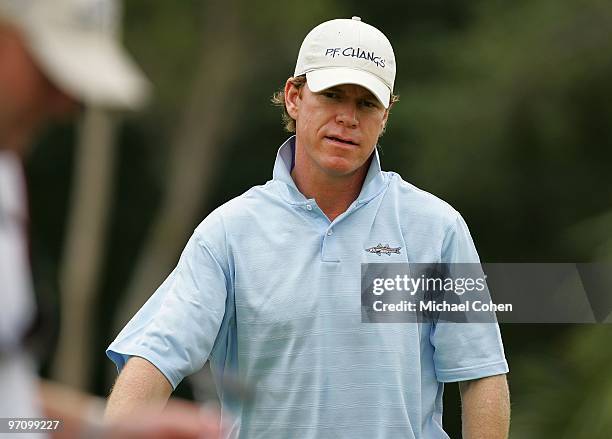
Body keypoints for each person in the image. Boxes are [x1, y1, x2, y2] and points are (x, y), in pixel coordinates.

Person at [106, 16, 510, 438]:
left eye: (366, 103)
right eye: (333, 95)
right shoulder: (230, 232)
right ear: (294, 97)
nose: (348, 118)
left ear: (386, 114)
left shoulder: (437, 229)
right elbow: (155, 358)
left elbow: (480, 375)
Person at [0, 0, 220, 437]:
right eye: (49, 68)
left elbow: (11, 413)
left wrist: (104, 428)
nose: (65, 103)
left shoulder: (6, 175)